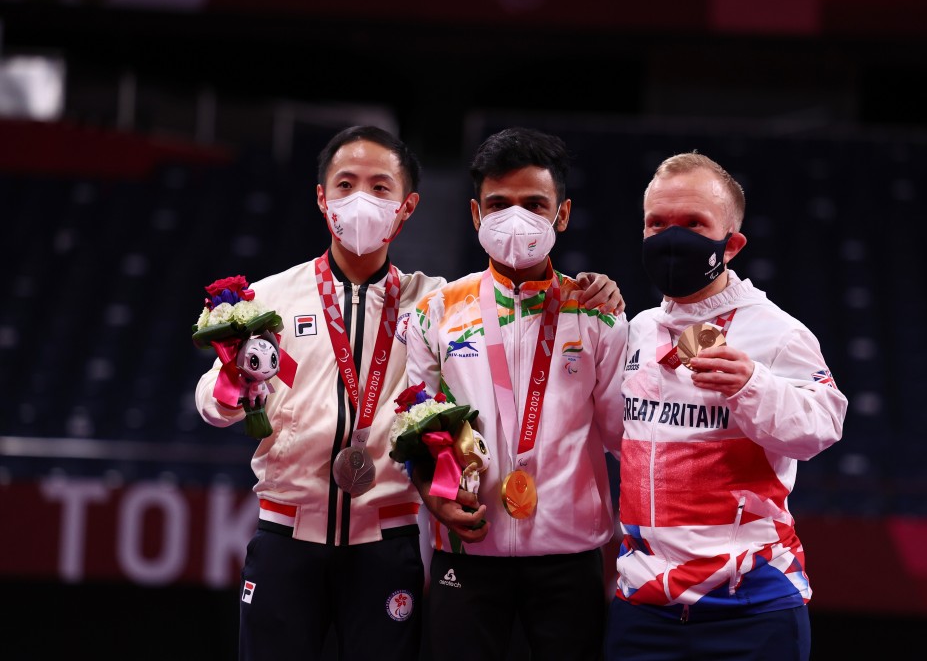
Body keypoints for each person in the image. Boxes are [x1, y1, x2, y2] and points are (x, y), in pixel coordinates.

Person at [194, 125, 624, 661]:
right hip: (286, 531)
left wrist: (599, 289)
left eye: (380, 187)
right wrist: (231, 385)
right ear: (322, 198)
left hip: (387, 540)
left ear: (407, 206)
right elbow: (212, 404)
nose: (361, 200)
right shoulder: (270, 298)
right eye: (346, 184)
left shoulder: (433, 301)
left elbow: (513, 306)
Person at [604, 152, 848, 661]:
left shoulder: (776, 332)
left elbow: (822, 428)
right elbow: (616, 436)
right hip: (643, 607)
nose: (672, 237)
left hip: (753, 610)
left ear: (731, 244)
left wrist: (752, 385)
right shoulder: (637, 331)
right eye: (657, 223)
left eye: (694, 223)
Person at [405, 127, 628, 661]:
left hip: (570, 554)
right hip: (468, 544)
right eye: (499, 204)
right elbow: (414, 423)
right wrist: (433, 497)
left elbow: (623, 434)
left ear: (562, 214)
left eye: (534, 204)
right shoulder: (436, 311)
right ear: (476, 215)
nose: (515, 218)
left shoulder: (597, 314)